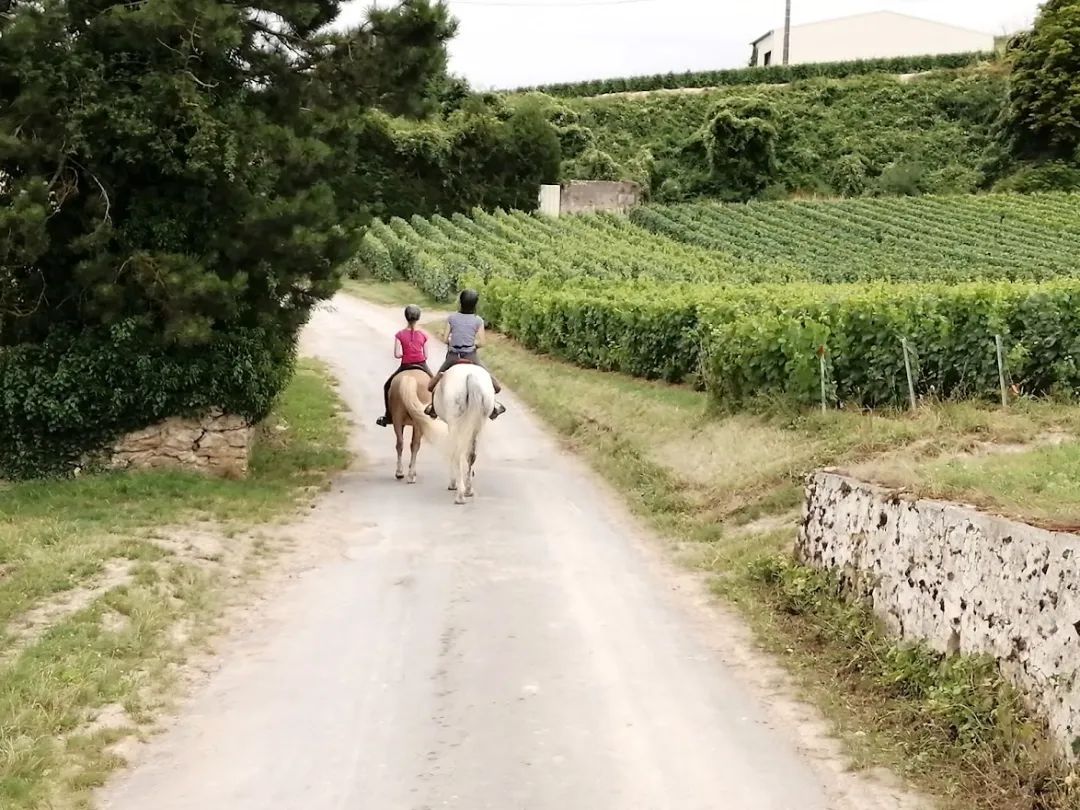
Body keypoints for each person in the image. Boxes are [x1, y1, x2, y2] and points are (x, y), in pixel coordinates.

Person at [425, 289, 506, 421]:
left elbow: (445, 339)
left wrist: (453, 341)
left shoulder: (451, 318)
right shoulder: (478, 320)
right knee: (496, 386)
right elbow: (482, 342)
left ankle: (433, 407)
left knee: (432, 385)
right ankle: (493, 407)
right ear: (475, 304)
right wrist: (473, 345)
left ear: (460, 302)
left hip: (453, 356)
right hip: (471, 356)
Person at [375, 305, 432, 428]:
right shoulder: (424, 335)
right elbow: (426, 355)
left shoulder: (399, 334)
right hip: (421, 364)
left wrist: (404, 353)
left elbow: (396, 354)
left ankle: (388, 416)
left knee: (387, 386)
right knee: (435, 386)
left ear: (406, 317)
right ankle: (434, 412)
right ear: (418, 318)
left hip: (405, 365)